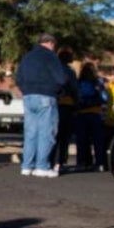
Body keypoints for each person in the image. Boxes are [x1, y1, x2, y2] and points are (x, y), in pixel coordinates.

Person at [15, 32, 70, 177]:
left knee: (31, 133)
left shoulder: (27, 57)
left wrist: (25, 89)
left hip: (28, 97)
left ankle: (27, 166)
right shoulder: (50, 56)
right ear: (51, 43)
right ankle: (42, 166)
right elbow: (61, 78)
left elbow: (18, 77)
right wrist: (60, 89)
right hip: (46, 96)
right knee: (47, 132)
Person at [73, 62, 108, 171]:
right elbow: (105, 98)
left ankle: (82, 162)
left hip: (81, 113)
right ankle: (100, 163)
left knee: (82, 140)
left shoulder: (78, 82)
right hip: (95, 113)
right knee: (97, 140)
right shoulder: (98, 82)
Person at [51, 49, 78, 172]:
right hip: (67, 104)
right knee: (64, 136)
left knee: (53, 134)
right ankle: (60, 160)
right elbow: (74, 88)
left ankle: (51, 160)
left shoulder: (53, 69)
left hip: (54, 103)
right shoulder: (69, 72)